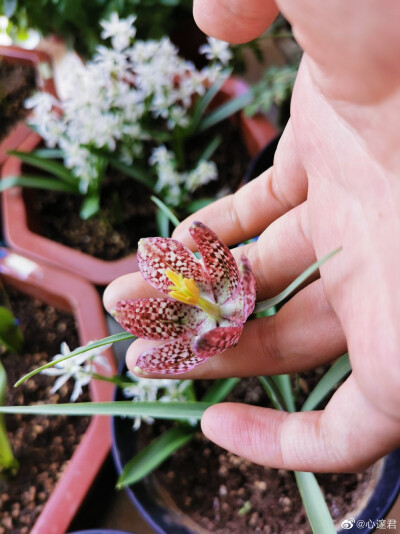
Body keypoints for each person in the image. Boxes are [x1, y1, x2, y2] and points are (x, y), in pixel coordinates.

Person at [104, 0, 400, 472]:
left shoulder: (233, 285)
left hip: (230, 300)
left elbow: (224, 261)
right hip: (214, 319)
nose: (182, 290)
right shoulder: (195, 328)